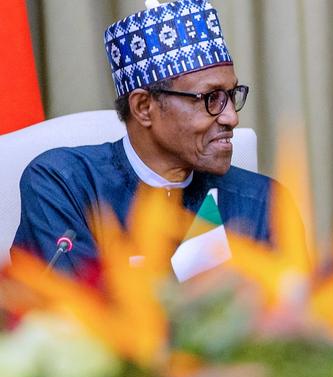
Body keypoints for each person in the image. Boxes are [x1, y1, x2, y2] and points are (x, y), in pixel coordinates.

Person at [11, 0, 283, 283]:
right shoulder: (64, 184)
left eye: (231, 94)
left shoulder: (264, 203)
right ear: (143, 107)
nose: (231, 117)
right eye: (210, 98)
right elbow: (71, 314)